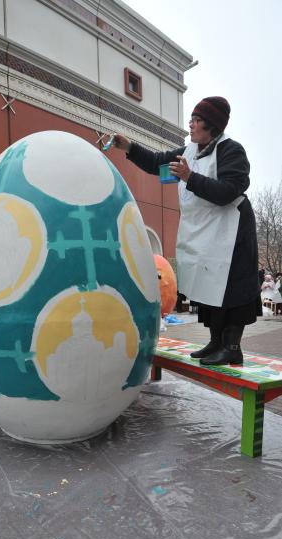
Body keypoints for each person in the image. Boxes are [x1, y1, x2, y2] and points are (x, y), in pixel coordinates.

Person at [113, 96, 260, 366]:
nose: (190, 124)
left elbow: (228, 191)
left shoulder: (231, 151)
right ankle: (215, 342)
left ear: (212, 125)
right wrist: (130, 148)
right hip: (206, 231)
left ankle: (231, 346)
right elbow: (157, 161)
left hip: (232, 232)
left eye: (196, 119)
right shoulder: (190, 151)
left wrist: (189, 177)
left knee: (230, 289)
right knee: (206, 285)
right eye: (191, 118)